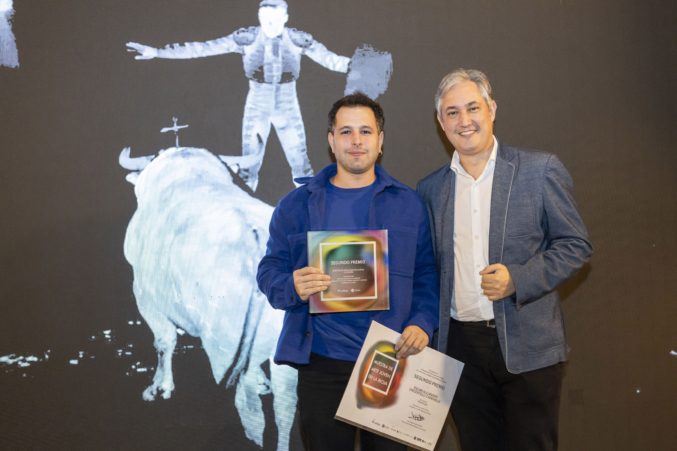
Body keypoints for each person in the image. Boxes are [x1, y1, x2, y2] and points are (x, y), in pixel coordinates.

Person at [417, 69, 593, 451]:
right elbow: (427, 271)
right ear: (440, 122)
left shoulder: (539, 170)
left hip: (529, 344)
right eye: (452, 112)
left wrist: (518, 279)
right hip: (461, 350)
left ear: (492, 109)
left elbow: (575, 244)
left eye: (473, 108)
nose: (464, 120)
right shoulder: (430, 190)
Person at [257, 92, 439, 451]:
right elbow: (269, 270)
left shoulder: (409, 204)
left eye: (365, 132)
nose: (356, 141)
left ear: (380, 140)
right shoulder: (295, 206)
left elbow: (426, 273)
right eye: (346, 132)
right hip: (322, 362)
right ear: (331, 140)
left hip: (389, 358)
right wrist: (291, 284)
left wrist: (422, 322)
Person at [127, 0, 351, 192]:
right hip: (257, 105)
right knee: (248, 167)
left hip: (287, 105)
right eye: (264, 19)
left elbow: (331, 60)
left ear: (285, 18)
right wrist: (158, 52)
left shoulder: (297, 39)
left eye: (274, 19)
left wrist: (360, 65)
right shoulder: (247, 38)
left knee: (301, 164)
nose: (269, 24)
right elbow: (203, 48)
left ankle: (313, 216)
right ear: (259, 17)